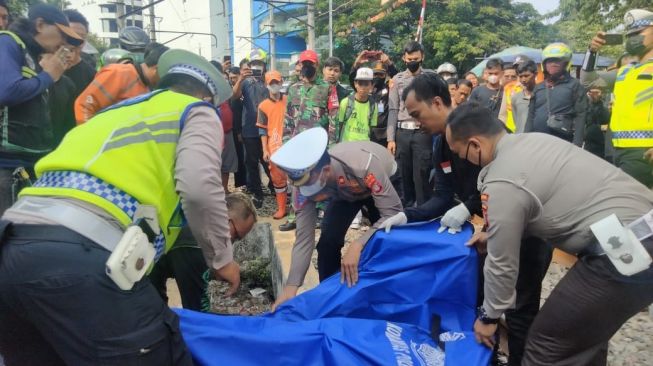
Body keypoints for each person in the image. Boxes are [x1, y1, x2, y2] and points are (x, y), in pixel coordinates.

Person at [0, 48, 235, 365]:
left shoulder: (111, 114)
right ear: (207, 96)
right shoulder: (196, 111)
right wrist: (221, 258)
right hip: (83, 254)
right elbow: (198, 188)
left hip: (11, 247)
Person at [445, 103, 653, 366]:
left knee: (547, 343)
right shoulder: (534, 141)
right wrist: (493, 235)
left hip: (626, 245)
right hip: (642, 226)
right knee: (585, 337)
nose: (463, 160)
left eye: (460, 153)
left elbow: (502, 263)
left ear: (475, 144)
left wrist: (488, 317)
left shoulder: (502, 180)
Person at [382, 74, 552, 365]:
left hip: (526, 227)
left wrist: (469, 206)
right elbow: (443, 195)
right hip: (493, 225)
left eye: (417, 114)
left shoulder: (481, 128)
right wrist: (406, 215)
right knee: (484, 298)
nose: (416, 122)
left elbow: (503, 181)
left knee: (520, 309)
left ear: (437, 103)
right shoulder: (440, 144)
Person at [269, 127, 402, 310]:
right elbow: (304, 239)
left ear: (325, 170)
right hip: (345, 194)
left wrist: (358, 244)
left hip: (383, 182)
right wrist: (291, 287)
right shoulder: (302, 186)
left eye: (311, 187)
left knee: (386, 241)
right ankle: (331, 299)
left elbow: (393, 215)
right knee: (327, 244)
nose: (311, 195)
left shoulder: (363, 165)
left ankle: (386, 297)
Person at [0, 3, 83, 214]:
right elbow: (7, 92)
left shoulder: (34, 55)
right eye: (61, 34)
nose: (64, 42)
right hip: (7, 164)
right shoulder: (8, 42)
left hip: (30, 162)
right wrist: (48, 76)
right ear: (40, 25)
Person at [150, 192, 257, 311]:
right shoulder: (197, 245)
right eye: (236, 234)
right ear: (225, 219)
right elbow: (198, 310)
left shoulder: (200, 214)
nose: (232, 241)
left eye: (238, 239)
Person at [582, 9, 653, 187]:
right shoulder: (626, 70)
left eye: (638, 33)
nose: (632, 39)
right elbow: (587, 81)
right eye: (628, 35)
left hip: (645, 153)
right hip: (616, 150)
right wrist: (592, 52)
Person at [279, 49, 331, 231]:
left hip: (318, 144)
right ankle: (295, 215)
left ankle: (320, 214)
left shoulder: (326, 88)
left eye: (311, 64)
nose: (307, 67)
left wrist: (330, 143)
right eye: (304, 63)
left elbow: (333, 117)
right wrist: (286, 142)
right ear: (299, 65)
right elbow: (288, 117)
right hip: (297, 142)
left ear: (317, 65)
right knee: (295, 180)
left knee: (319, 178)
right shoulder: (293, 89)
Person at [74, 42, 169, 123]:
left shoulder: (147, 87)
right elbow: (83, 105)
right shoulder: (118, 73)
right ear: (157, 69)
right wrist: (90, 135)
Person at [387, 41, 433, 207]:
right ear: (404, 58)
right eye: (409, 59)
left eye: (416, 58)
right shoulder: (397, 80)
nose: (412, 61)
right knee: (403, 175)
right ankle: (406, 211)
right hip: (402, 133)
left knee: (422, 174)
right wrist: (390, 139)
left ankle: (424, 210)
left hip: (423, 133)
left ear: (422, 57)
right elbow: (393, 109)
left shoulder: (430, 78)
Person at [524, 42, 587, 147]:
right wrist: (526, 139)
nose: (553, 64)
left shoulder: (575, 85)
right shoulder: (539, 87)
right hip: (537, 142)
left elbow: (581, 115)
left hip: (563, 143)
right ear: (544, 65)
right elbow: (531, 115)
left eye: (558, 61)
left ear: (566, 64)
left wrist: (577, 144)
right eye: (550, 61)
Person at [232, 49, 273, 208]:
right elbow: (234, 96)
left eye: (259, 63)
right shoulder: (246, 82)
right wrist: (241, 78)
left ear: (264, 65)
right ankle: (258, 193)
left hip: (267, 129)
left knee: (269, 161)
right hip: (249, 129)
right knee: (251, 163)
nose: (257, 67)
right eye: (254, 63)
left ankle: (275, 187)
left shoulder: (270, 81)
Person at [257, 70, 288, 219]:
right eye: (271, 83)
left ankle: (298, 210)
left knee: (297, 179)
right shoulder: (263, 106)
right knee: (277, 179)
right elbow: (262, 130)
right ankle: (282, 208)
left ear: (281, 82)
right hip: (274, 147)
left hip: (290, 144)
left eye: (277, 82)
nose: (275, 85)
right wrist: (265, 150)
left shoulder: (290, 100)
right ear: (266, 85)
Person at [349, 54, 398, 146]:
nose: (378, 77)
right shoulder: (365, 89)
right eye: (375, 74)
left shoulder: (389, 88)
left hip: (383, 135)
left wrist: (389, 63)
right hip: (365, 133)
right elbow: (352, 79)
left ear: (386, 75)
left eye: (381, 74)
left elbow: (397, 77)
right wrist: (356, 64)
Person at [62, 9, 96, 97]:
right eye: (71, 35)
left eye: (82, 37)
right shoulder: (43, 68)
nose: (77, 41)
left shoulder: (92, 76)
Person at [228, 66, 247, 189]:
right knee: (239, 157)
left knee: (248, 158)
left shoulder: (246, 88)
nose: (232, 80)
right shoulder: (231, 91)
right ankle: (241, 183)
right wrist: (238, 131)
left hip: (246, 126)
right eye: (231, 78)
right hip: (235, 129)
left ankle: (249, 182)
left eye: (235, 78)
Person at [509, 60, 538, 134]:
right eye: (521, 76)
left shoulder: (542, 95)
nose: (523, 80)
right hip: (521, 138)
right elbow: (516, 120)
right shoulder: (515, 98)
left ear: (535, 74)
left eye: (526, 76)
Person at [584, 79, 611, 159]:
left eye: (597, 92)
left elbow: (607, 121)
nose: (594, 95)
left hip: (603, 143)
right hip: (589, 143)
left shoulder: (605, 107)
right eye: (592, 92)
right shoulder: (585, 106)